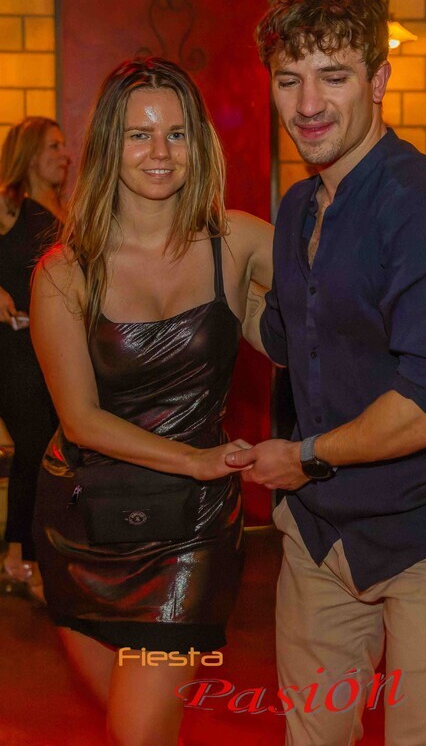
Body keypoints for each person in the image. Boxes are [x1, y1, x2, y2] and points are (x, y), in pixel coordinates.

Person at [227, 0, 426, 746]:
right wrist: (192, 280)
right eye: (289, 79)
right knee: (313, 736)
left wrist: (304, 457)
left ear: (378, 80)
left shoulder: (425, 204)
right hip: (322, 535)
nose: (308, 103)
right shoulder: (299, 205)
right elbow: (292, 338)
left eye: (334, 76)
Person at [30, 57, 272, 746]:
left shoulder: (238, 241)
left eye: (176, 133)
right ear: (110, 145)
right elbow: (80, 419)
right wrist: (195, 459)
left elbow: (340, 305)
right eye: (139, 134)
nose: (160, 152)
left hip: (191, 530)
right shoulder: (64, 271)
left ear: (199, 143)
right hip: (83, 521)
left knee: (137, 732)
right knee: (136, 729)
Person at [0, 116, 70, 597]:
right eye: (53, 146)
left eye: (64, 146)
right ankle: (21, 558)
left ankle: (26, 556)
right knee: (34, 445)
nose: (64, 155)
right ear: (29, 154)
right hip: (12, 348)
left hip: (50, 349)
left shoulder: (65, 210)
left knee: (49, 450)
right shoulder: (10, 204)